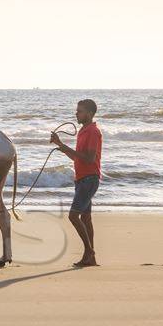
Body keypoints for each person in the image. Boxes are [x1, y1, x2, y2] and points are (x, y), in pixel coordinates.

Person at [50, 99, 102, 268]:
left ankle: (90, 252)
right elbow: (76, 157)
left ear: (89, 113)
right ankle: (90, 257)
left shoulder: (93, 131)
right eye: (77, 111)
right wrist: (61, 145)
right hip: (82, 179)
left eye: (79, 111)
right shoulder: (83, 131)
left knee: (73, 216)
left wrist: (65, 147)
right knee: (85, 218)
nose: (76, 113)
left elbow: (89, 158)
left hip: (89, 179)